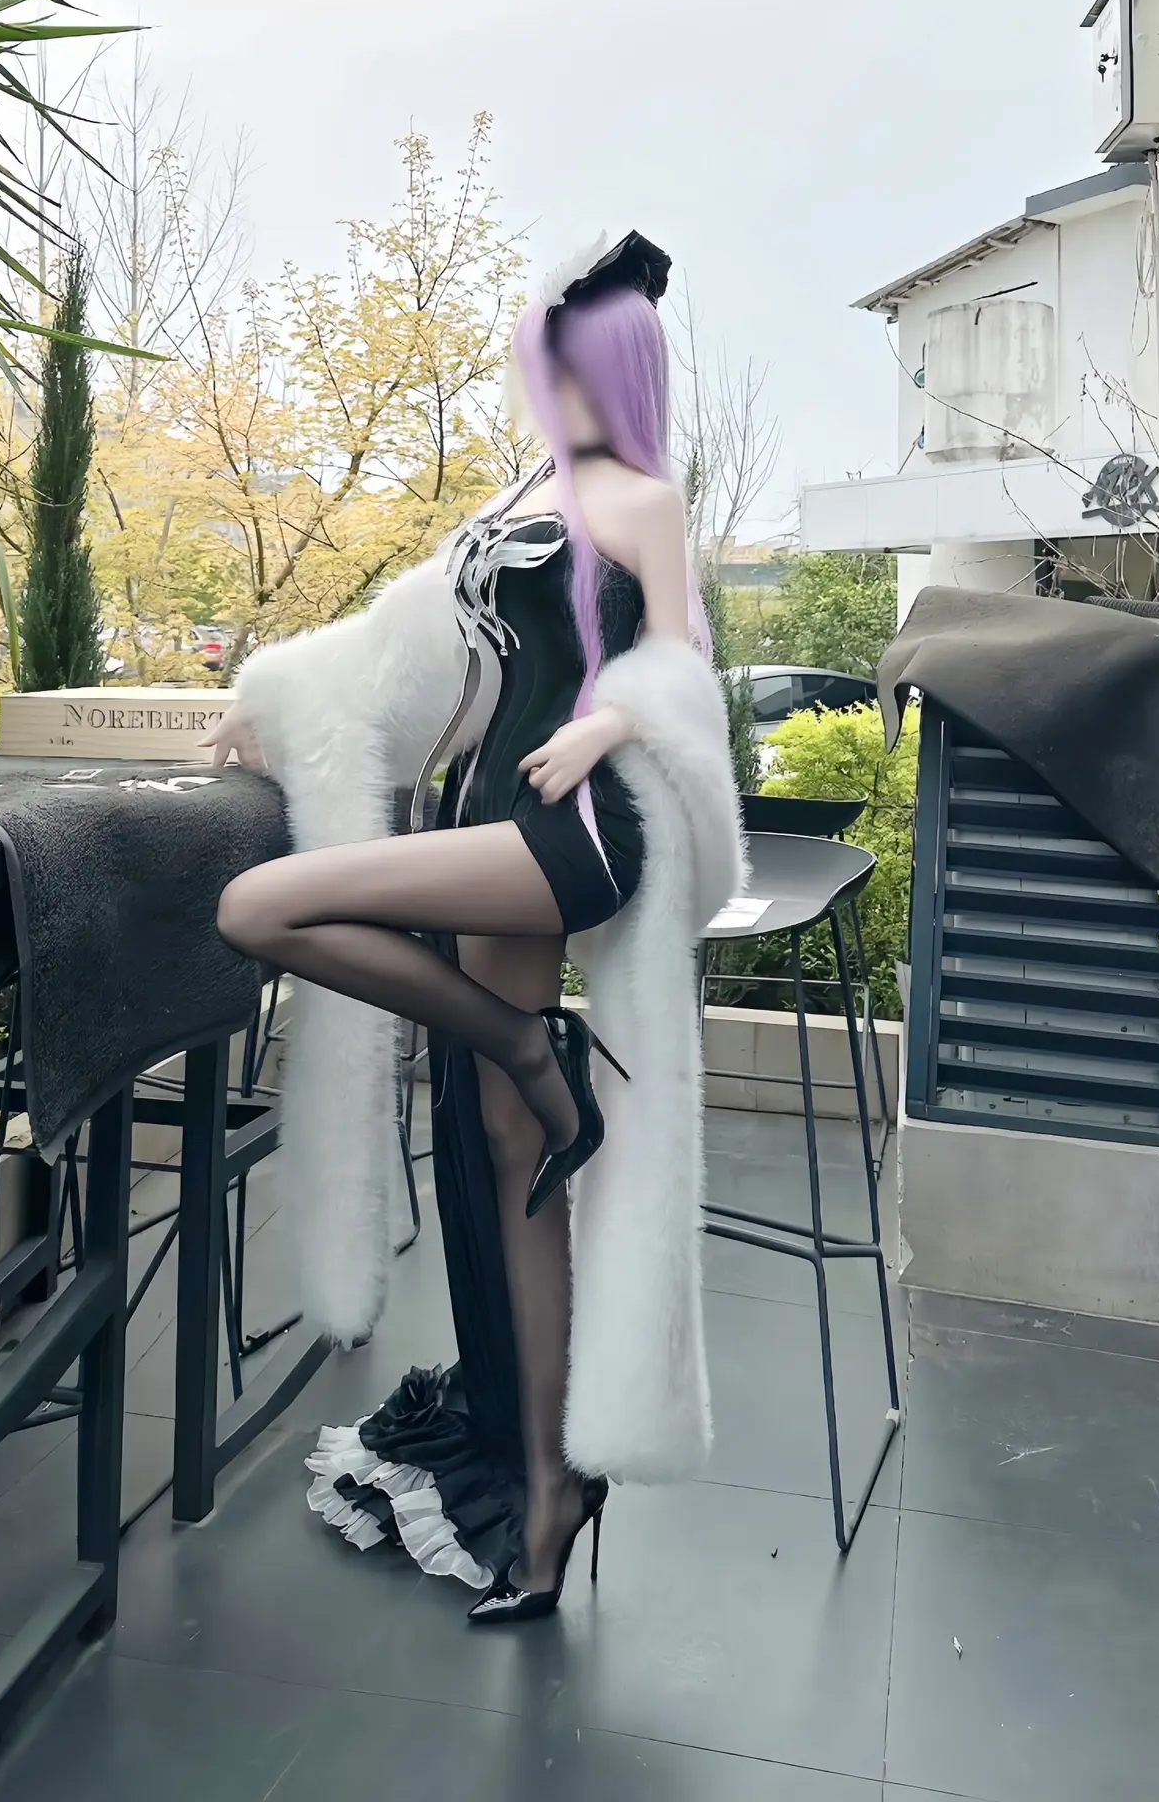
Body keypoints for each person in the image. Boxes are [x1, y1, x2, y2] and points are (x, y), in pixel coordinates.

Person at [208, 232, 744, 1622]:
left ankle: (522, 1045)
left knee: (261, 905)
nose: (551, 377)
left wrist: (616, 720)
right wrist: (270, 700)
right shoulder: (518, 495)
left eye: (576, 358)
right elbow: (396, 648)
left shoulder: (644, 500)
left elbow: (684, 661)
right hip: (494, 813)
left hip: (574, 831)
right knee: (516, 1158)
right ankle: (547, 1483)